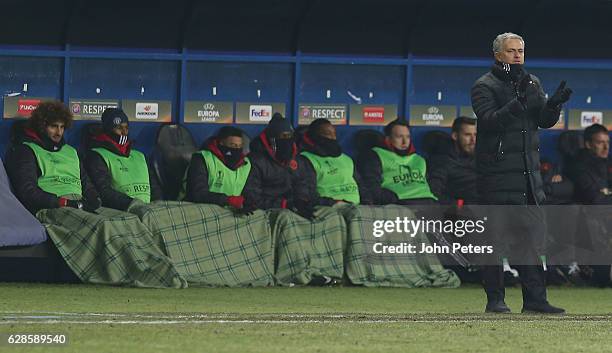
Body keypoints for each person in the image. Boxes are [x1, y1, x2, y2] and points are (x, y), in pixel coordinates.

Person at [471, 32, 572, 313]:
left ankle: (535, 301)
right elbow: (490, 121)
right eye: (512, 51)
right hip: (496, 177)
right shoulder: (483, 85)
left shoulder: (531, 82)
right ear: (498, 55)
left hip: (528, 177)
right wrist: (519, 103)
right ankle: (495, 300)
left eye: (521, 51)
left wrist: (554, 104)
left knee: (529, 241)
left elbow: (543, 120)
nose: (517, 55)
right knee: (494, 241)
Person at [5, 101, 100, 215]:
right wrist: (63, 202)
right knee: (104, 226)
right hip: (52, 208)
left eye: (62, 127)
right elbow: (27, 191)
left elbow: (86, 183)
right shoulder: (27, 150)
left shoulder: (71, 151)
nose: (59, 132)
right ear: (41, 126)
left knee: (123, 222)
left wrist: (95, 199)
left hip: (79, 205)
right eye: (53, 126)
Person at [84, 108, 162, 211]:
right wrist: (133, 204)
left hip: (149, 212)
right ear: (108, 130)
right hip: (121, 215)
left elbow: (155, 188)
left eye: (126, 127)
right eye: (119, 128)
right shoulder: (97, 155)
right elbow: (104, 192)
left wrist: (156, 207)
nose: (124, 132)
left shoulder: (140, 156)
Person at [294, 118, 369, 218]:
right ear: (316, 137)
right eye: (327, 134)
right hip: (328, 209)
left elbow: (362, 187)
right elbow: (307, 195)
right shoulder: (305, 159)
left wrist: (368, 203)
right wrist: (335, 203)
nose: (332, 137)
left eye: (334, 133)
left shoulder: (346, 159)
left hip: (357, 209)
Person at [358, 118, 437, 205]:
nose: (405, 142)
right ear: (388, 139)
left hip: (429, 204)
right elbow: (372, 187)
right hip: (399, 205)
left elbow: (433, 187)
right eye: (399, 137)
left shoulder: (419, 160)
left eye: (407, 137)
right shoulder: (375, 155)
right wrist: (392, 199)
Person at [184, 126, 255, 214]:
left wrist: (248, 203)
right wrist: (227, 200)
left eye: (239, 146)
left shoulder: (246, 164)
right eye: (233, 145)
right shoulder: (202, 159)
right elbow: (197, 194)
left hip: (229, 213)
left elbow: (250, 192)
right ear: (221, 143)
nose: (236, 149)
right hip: (196, 212)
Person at [244, 113, 298, 210]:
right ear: (272, 139)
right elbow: (252, 198)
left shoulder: (296, 159)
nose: (287, 140)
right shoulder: (255, 161)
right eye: (283, 136)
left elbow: (304, 186)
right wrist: (283, 204)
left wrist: (303, 201)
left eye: (289, 136)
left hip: (291, 209)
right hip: (265, 211)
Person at [427, 117, 477, 204]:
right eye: (467, 135)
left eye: (475, 135)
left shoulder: (478, 156)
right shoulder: (442, 161)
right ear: (455, 136)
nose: (473, 140)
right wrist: (459, 204)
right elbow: (434, 193)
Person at [567, 124, 611, 204]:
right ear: (588, 144)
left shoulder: (607, 162)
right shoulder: (580, 168)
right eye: (600, 142)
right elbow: (595, 200)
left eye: (607, 142)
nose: (606, 147)